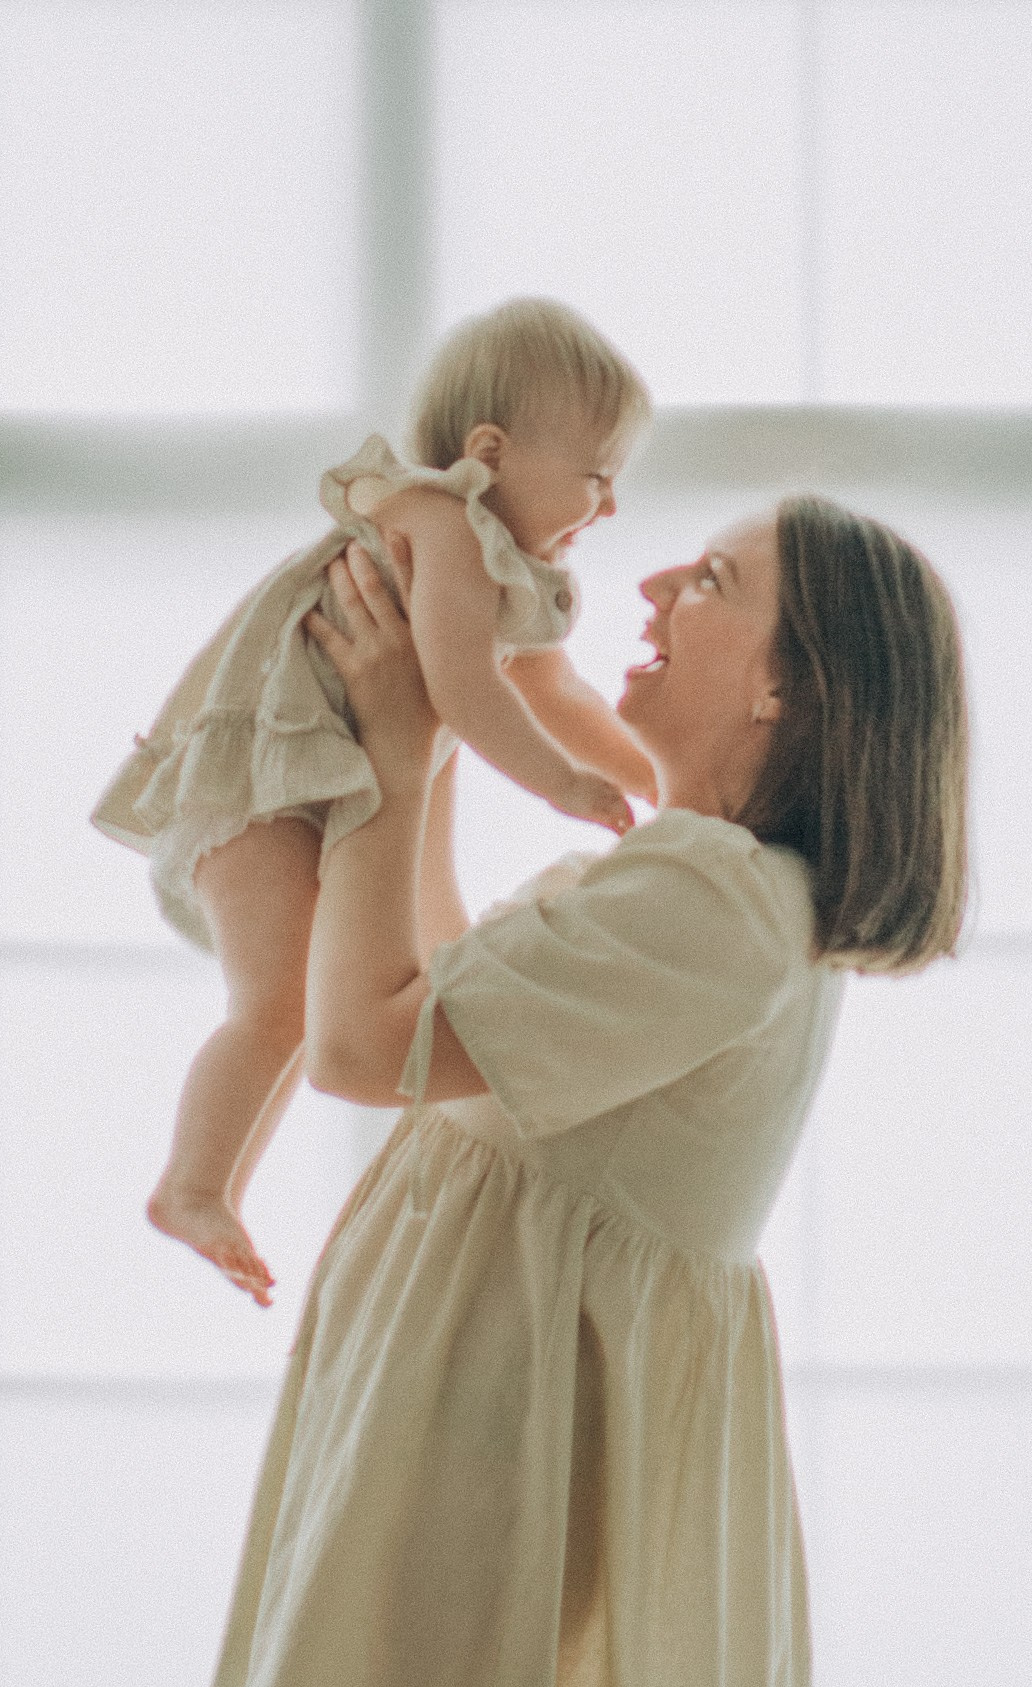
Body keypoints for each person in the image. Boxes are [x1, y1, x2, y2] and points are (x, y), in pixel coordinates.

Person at [210, 495, 969, 1687]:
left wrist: (395, 747)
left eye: (713, 579)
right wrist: (435, 729)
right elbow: (444, 999)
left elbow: (364, 1047)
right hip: (472, 1404)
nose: (658, 581)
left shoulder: (713, 897)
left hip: (488, 1427)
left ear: (783, 686)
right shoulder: (712, 882)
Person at [90, 299, 656, 1303]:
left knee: (305, 1008)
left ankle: (207, 1187)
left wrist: (658, 779)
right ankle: (193, 1185)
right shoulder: (440, 522)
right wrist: (564, 783)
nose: (608, 508)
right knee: (279, 1007)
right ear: (490, 450)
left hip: (311, 788)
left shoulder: (498, 561)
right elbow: (468, 690)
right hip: (260, 787)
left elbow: (552, 688)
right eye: (596, 476)